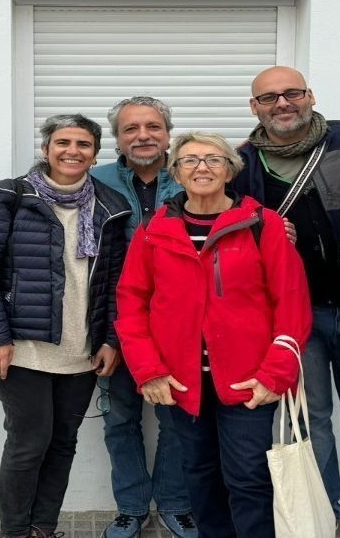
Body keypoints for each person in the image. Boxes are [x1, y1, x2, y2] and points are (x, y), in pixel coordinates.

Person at [230, 66, 340, 538]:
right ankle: (321, 509)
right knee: (312, 420)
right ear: (254, 108)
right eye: (269, 98)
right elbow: (226, 232)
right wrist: (259, 233)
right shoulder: (241, 165)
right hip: (294, 316)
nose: (281, 104)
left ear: (310, 96)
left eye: (291, 93)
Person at [116, 131, 313, 537]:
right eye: (189, 161)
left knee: (249, 480)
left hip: (248, 381)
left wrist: (275, 374)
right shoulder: (153, 231)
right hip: (181, 382)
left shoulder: (263, 225)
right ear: (176, 172)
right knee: (200, 479)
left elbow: (292, 304)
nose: (201, 167)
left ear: (230, 170)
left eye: (212, 159)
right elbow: (132, 303)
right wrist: (148, 370)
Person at [0, 114, 132, 538]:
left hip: (81, 349)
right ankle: (16, 532)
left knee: (62, 443)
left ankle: (44, 528)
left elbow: (116, 280)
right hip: (22, 347)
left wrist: (111, 338)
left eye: (83, 144)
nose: (72, 150)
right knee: (27, 444)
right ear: (46, 149)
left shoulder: (111, 205)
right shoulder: (11, 195)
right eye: (62, 142)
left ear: (96, 154)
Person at [90, 97, 197, 538]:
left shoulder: (195, 171)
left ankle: (175, 503)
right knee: (119, 418)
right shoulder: (95, 180)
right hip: (115, 323)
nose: (143, 136)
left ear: (168, 133)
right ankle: (131, 507)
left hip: (180, 324)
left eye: (152, 126)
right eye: (130, 129)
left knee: (177, 419)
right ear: (117, 138)